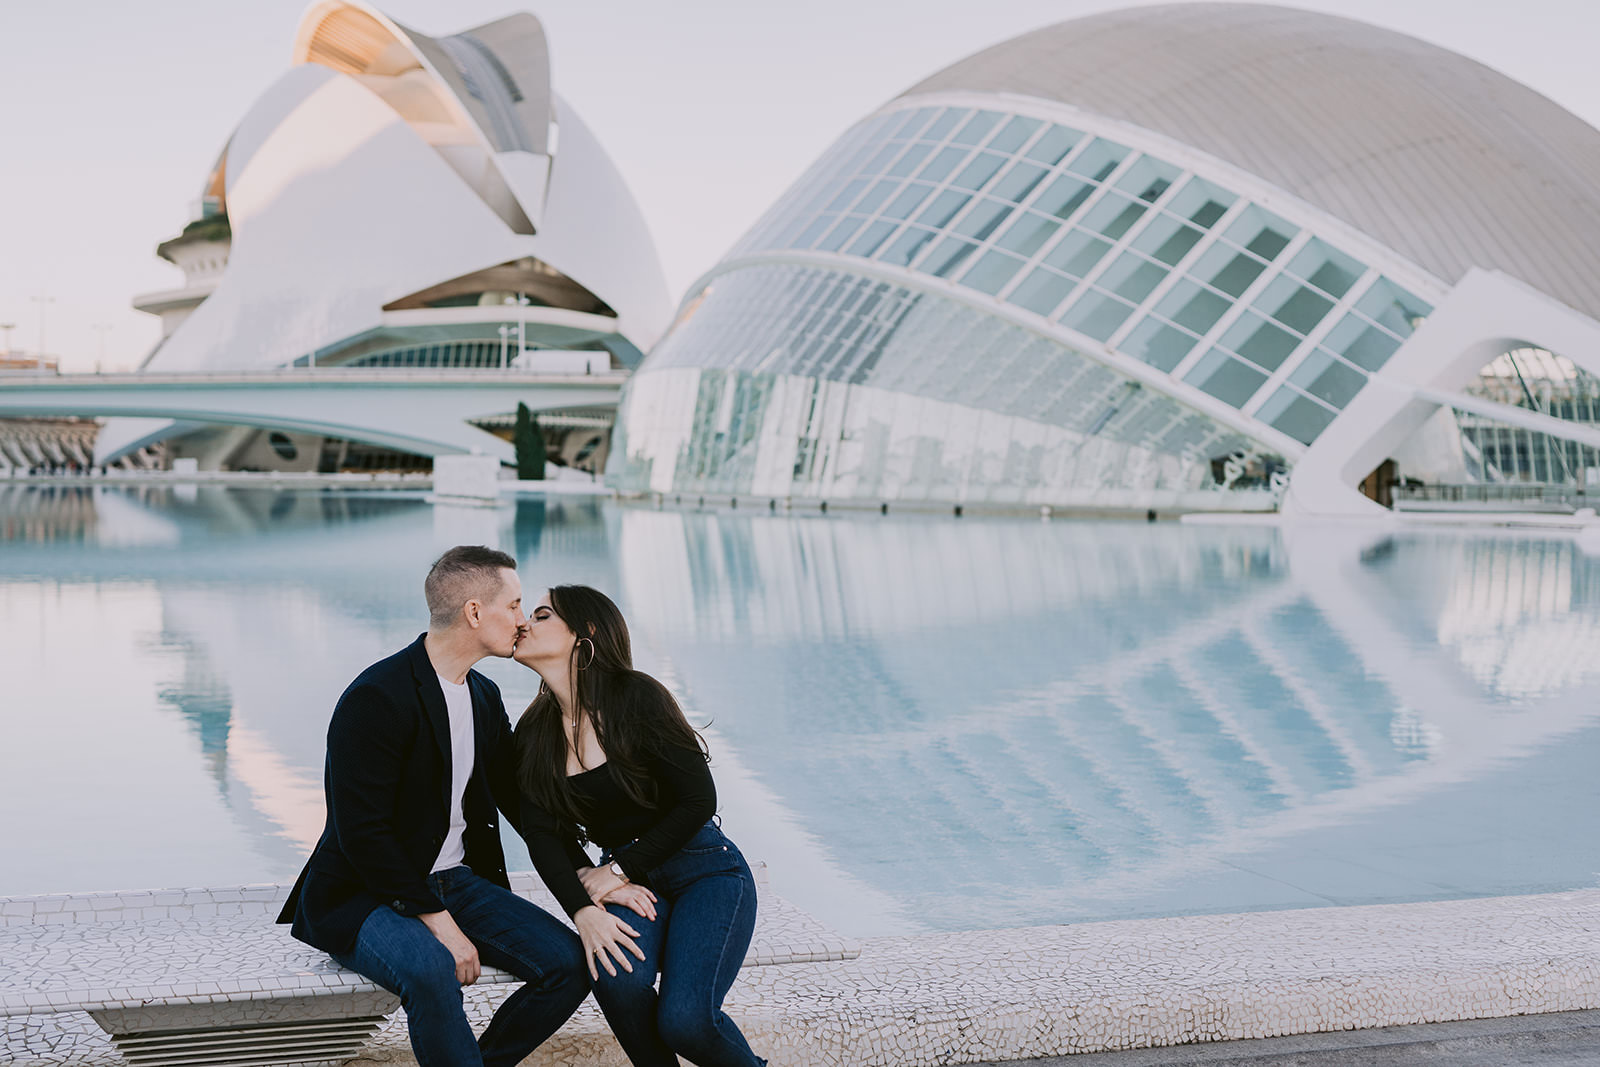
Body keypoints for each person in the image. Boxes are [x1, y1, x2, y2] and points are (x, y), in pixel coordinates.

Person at [276, 545, 588, 1067]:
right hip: (365, 890)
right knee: (432, 969)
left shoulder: (484, 697)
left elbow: (522, 805)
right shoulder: (377, 697)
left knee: (569, 964)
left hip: (455, 880)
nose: (521, 621)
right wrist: (440, 923)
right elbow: (364, 834)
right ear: (473, 612)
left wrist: (587, 874)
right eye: (512, 606)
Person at [512, 585, 767, 1067]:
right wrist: (584, 907)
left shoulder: (637, 696)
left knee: (686, 1022)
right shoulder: (534, 731)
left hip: (705, 873)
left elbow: (698, 801)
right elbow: (542, 836)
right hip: (635, 886)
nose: (524, 622)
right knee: (615, 977)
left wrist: (616, 870)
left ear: (584, 633)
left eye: (542, 615)